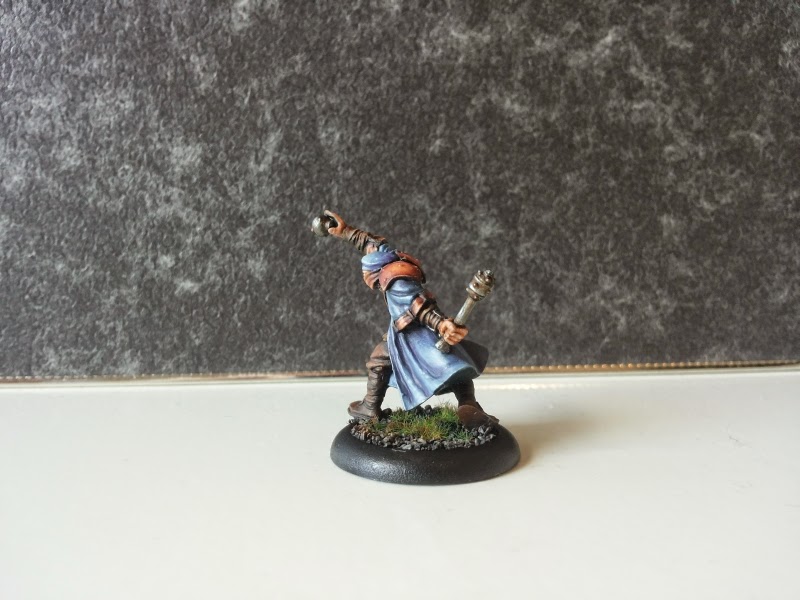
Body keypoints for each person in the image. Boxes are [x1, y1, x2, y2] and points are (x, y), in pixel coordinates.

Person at [323, 210, 496, 429]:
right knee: (452, 362)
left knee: (381, 359)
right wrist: (345, 231)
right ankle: (468, 403)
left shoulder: (396, 281)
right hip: (416, 328)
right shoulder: (389, 258)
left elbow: (420, 306)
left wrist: (440, 323)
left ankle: (370, 407)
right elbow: (370, 243)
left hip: (411, 334)